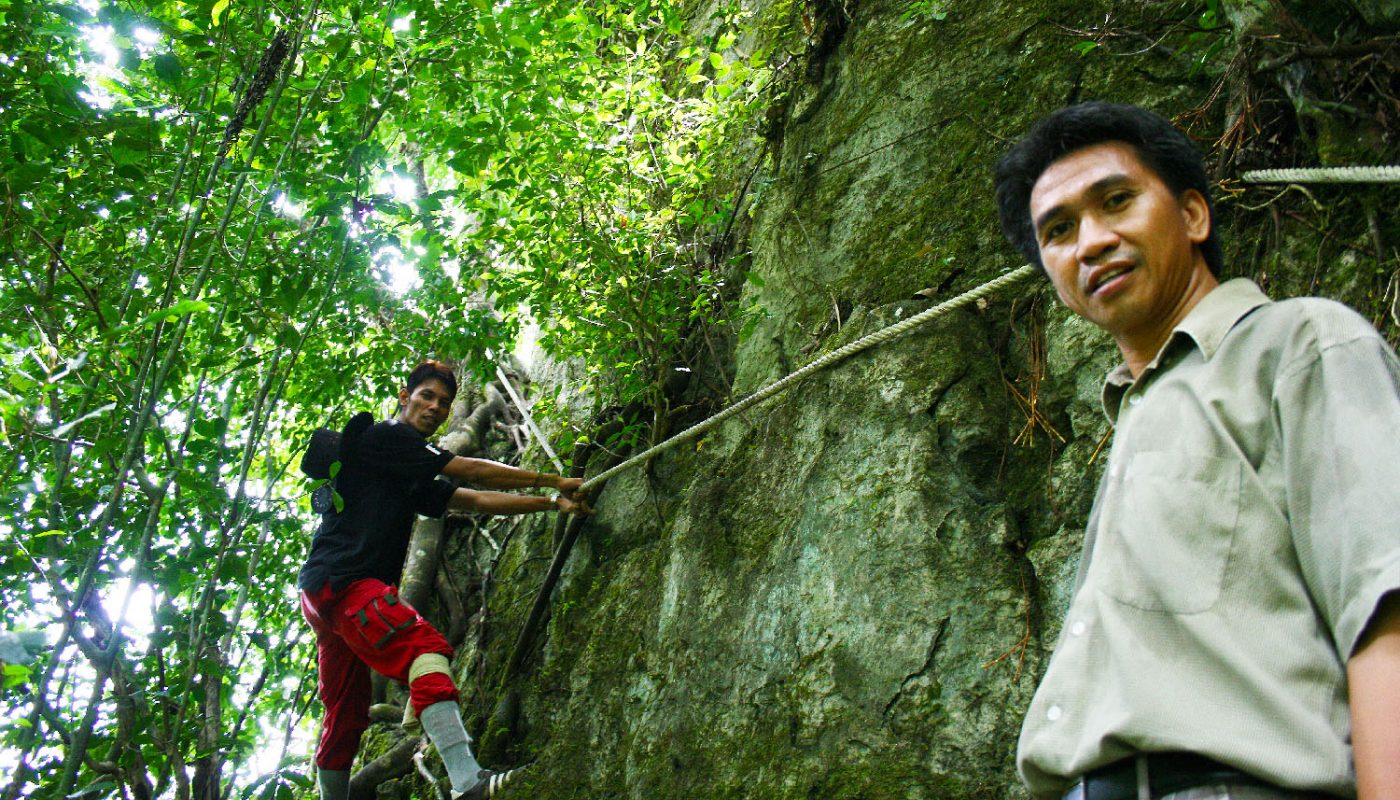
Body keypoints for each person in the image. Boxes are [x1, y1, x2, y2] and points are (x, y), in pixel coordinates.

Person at [994, 101, 1400, 800]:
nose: (1090, 242)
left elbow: (1381, 603)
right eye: (1058, 231)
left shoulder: (1301, 344)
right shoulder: (1138, 413)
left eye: (1116, 201)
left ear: (1192, 216)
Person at [297, 360, 589, 800]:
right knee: (426, 650)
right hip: (347, 584)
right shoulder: (389, 438)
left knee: (346, 709)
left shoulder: (406, 470)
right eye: (426, 396)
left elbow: (473, 498)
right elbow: (469, 471)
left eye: (444, 403)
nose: (434, 407)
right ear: (404, 397)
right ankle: (467, 781)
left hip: (324, 595)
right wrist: (556, 479)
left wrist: (551, 502)